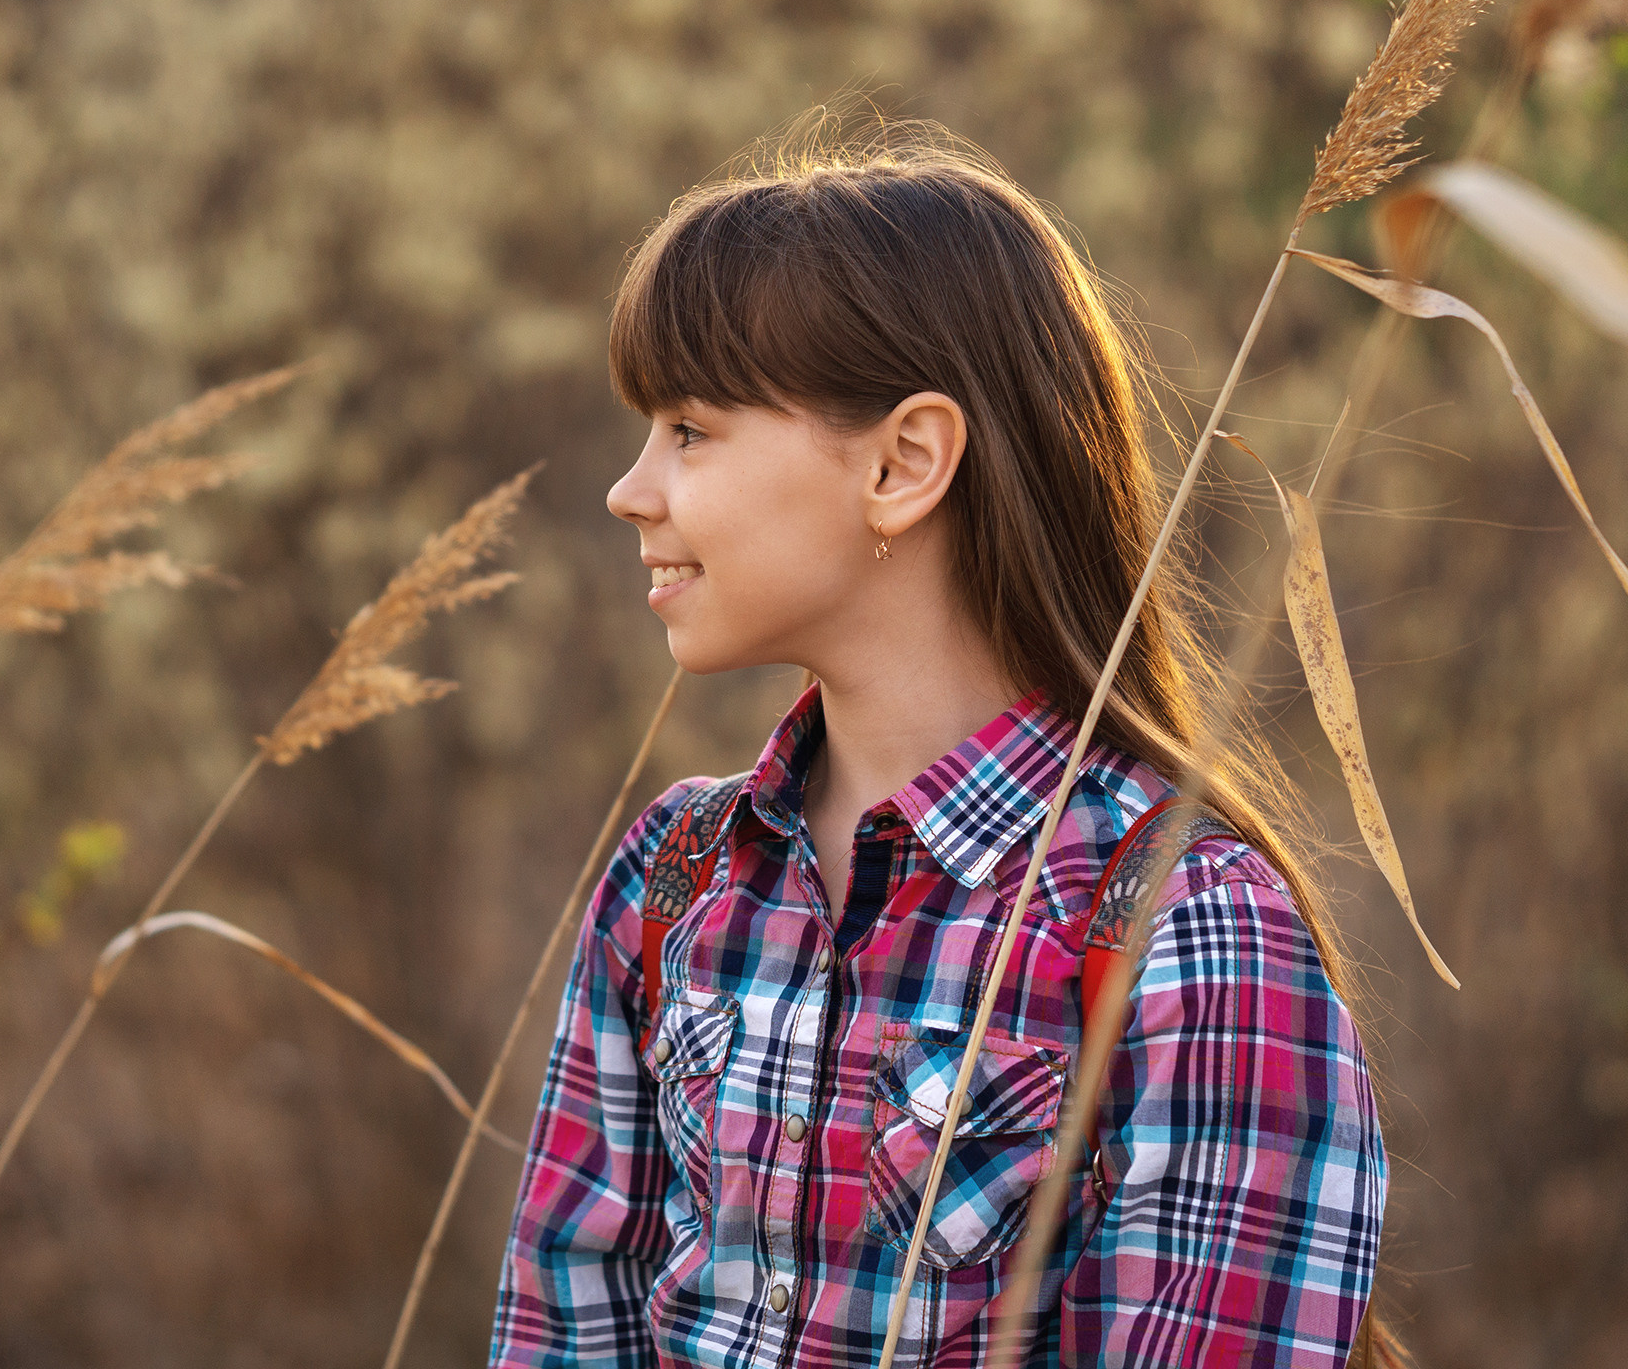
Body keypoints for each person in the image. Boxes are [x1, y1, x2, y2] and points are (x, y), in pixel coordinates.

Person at [490, 126, 1394, 1369]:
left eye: (691, 429)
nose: (630, 489)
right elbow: (561, 1325)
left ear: (904, 463)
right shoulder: (671, 880)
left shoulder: (1188, 929)